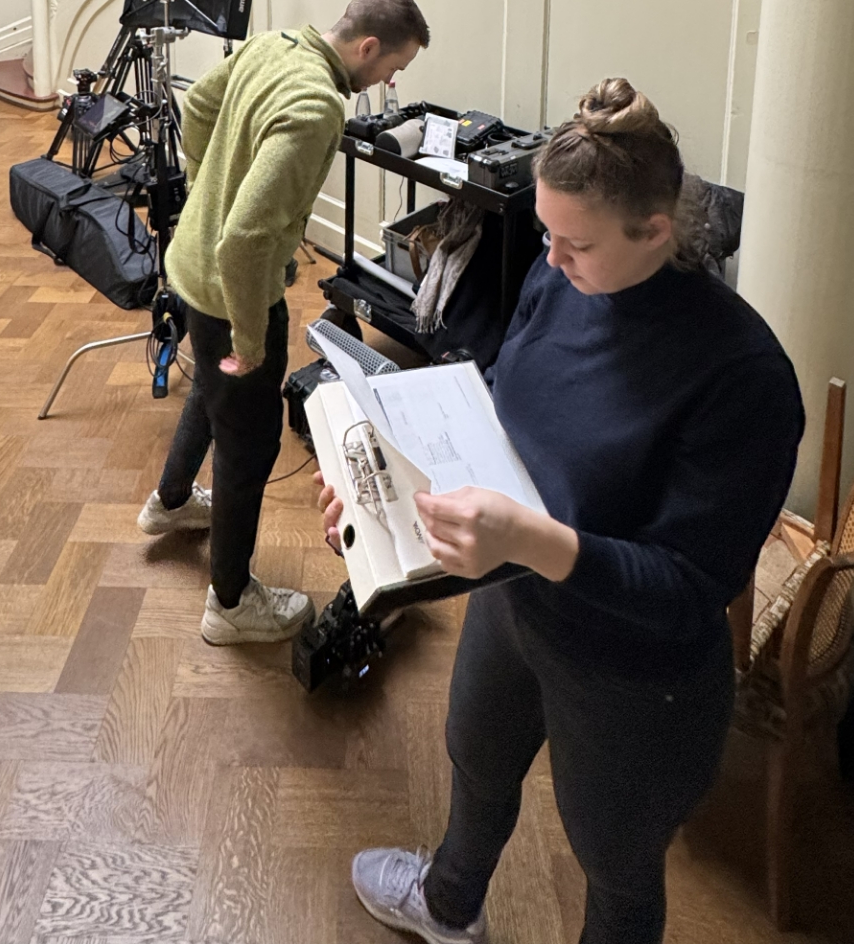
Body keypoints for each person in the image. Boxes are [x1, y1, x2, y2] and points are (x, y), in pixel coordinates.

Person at [321, 78, 805, 944]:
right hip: (517, 598)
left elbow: (690, 589)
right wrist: (382, 492)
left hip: (633, 669)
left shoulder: (743, 378)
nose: (550, 259)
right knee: (476, 759)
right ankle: (449, 906)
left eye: (574, 243)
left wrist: (537, 542)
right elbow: (503, 401)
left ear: (655, 231)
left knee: (615, 863)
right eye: (546, 234)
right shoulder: (560, 278)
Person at [139, 0, 430, 646]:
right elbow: (243, 241)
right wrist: (249, 341)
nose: (389, 81)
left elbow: (199, 107)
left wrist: (206, 191)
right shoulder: (318, 107)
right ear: (368, 47)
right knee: (249, 445)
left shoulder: (274, 44)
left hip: (191, 269)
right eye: (393, 66)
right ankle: (230, 603)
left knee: (211, 392)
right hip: (230, 293)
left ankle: (171, 502)